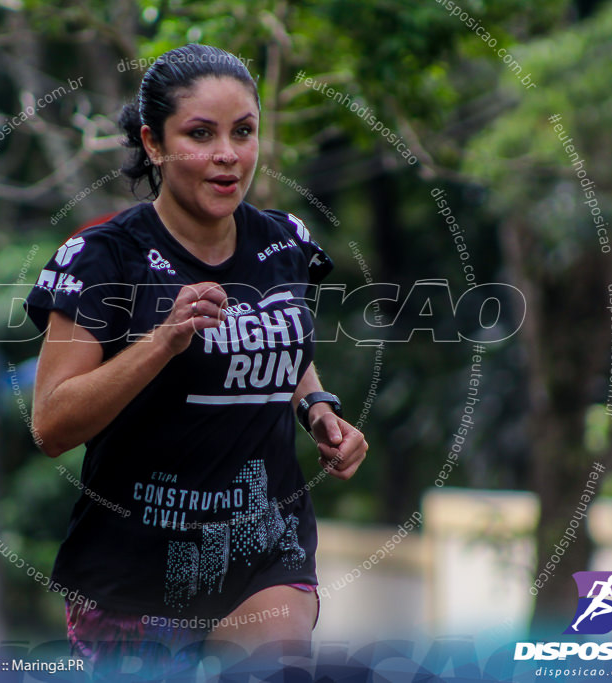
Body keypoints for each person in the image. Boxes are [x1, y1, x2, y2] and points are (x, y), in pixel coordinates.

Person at [25, 43, 368, 675]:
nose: (227, 155)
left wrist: (317, 406)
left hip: (265, 554)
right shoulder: (105, 258)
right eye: (200, 134)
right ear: (154, 144)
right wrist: (161, 341)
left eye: (243, 132)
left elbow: (280, 345)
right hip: (134, 577)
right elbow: (50, 425)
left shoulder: (285, 244)